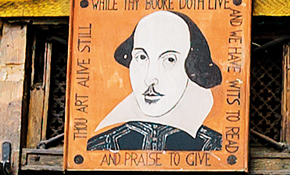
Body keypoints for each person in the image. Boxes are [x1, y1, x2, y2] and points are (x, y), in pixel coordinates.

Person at [86, 9, 226, 152]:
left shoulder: (215, 147)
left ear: (193, 67)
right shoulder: (101, 146)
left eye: (170, 60)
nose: (150, 79)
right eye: (141, 57)